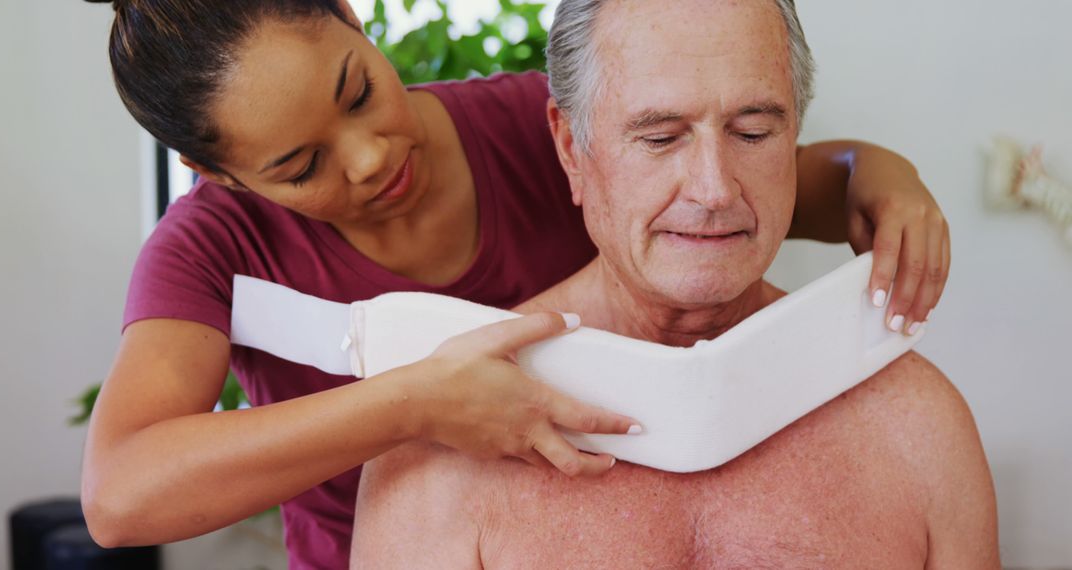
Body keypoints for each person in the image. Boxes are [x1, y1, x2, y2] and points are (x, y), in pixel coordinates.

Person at [79, 0, 952, 567]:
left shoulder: (532, 129)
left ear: (351, 17)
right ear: (216, 172)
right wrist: (416, 405)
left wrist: (881, 172)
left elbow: (736, 190)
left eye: (358, 93)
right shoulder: (209, 249)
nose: (372, 155)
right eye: (303, 165)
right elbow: (121, 496)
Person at [349, 0, 998, 567]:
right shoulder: (442, 453)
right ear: (571, 150)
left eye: (753, 132)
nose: (714, 190)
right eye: (660, 138)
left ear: (795, 134)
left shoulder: (918, 429)